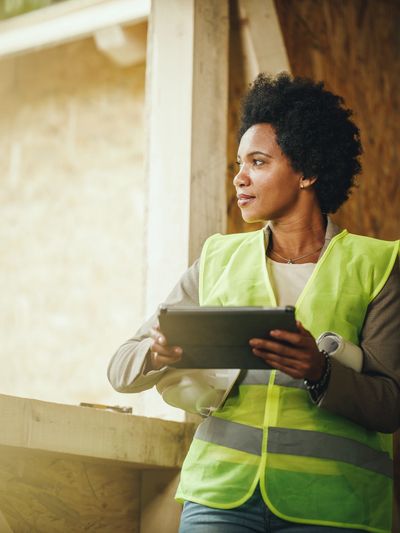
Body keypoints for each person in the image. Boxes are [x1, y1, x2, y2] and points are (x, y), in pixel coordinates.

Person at [108, 73, 400, 532]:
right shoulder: (218, 257)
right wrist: (155, 352)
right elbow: (121, 368)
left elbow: (391, 404)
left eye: (258, 162)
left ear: (307, 171)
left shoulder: (378, 265)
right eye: (237, 164)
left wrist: (320, 372)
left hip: (335, 506)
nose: (239, 178)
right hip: (219, 498)